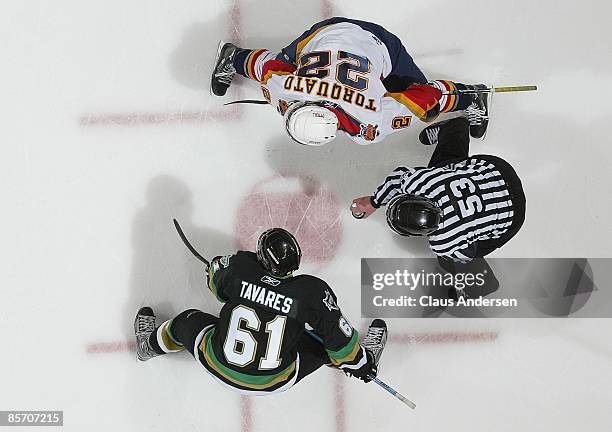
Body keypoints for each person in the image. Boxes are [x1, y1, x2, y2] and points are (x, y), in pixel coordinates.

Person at [134, 228, 387, 395]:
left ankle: (148, 346)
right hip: (275, 381)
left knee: (184, 322)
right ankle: (363, 360)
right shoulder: (311, 292)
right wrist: (361, 364)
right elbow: (340, 342)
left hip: (218, 363)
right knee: (329, 343)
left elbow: (217, 286)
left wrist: (215, 271)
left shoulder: (240, 268)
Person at [211, 17, 488, 146]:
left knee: (419, 94)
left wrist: (432, 105)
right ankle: (232, 57)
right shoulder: (282, 90)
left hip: (377, 43)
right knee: (280, 64)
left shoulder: (373, 122)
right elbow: (268, 68)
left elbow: (427, 98)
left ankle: (474, 96)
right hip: (330, 32)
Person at [351, 117, 526, 268]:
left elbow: (465, 256)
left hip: (513, 216)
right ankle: (455, 127)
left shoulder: (443, 242)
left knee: (454, 259)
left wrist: (465, 233)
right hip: (496, 170)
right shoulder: (426, 183)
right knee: (442, 170)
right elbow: (397, 179)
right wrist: (373, 201)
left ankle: (471, 283)